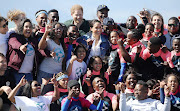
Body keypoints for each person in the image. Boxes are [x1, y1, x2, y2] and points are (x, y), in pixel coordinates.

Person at [7, 19, 47, 84]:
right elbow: (13, 42)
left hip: (29, 75)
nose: (28, 29)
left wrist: (49, 53)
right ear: (22, 28)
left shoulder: (33, 40)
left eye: (30, 27)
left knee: (28, 94)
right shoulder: (15, 36)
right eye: (26, 27)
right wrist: (20, 47)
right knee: (17, 94)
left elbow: (39, 50)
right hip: (16, 73)